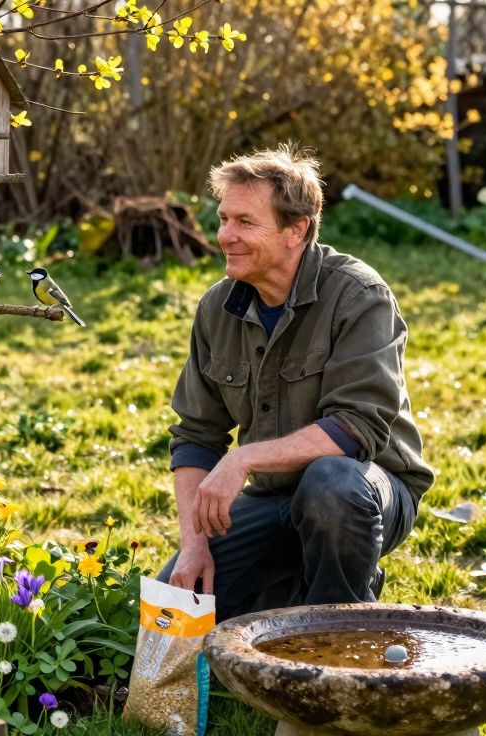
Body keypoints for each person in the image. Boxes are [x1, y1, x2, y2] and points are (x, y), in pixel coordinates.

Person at [158, 144, 435, 622]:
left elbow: (355, 430)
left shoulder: (358, 295)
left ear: (296, 229)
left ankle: (340, 635)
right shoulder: (216, 308)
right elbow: (195, 436)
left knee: (330, 487)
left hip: (365, 490)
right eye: (223, 219)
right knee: (176, 606)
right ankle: (293, 591)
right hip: (271, 498)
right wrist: (193, 544)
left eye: (245, 222)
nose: (225, 235)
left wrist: (242, 459)